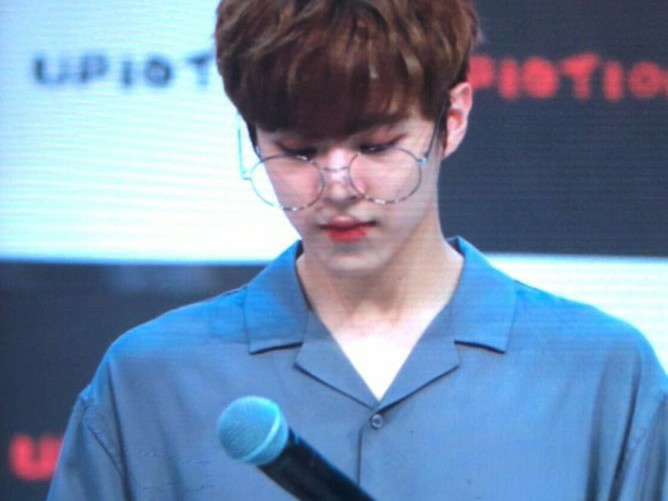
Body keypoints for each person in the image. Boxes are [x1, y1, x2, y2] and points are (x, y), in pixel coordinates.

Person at [48, 0, 667, 499]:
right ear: (254, 136)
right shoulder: (149, 380)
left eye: (375, 146)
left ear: (451, 118)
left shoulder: (603, 374)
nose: (337, 186)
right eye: (299, 151)